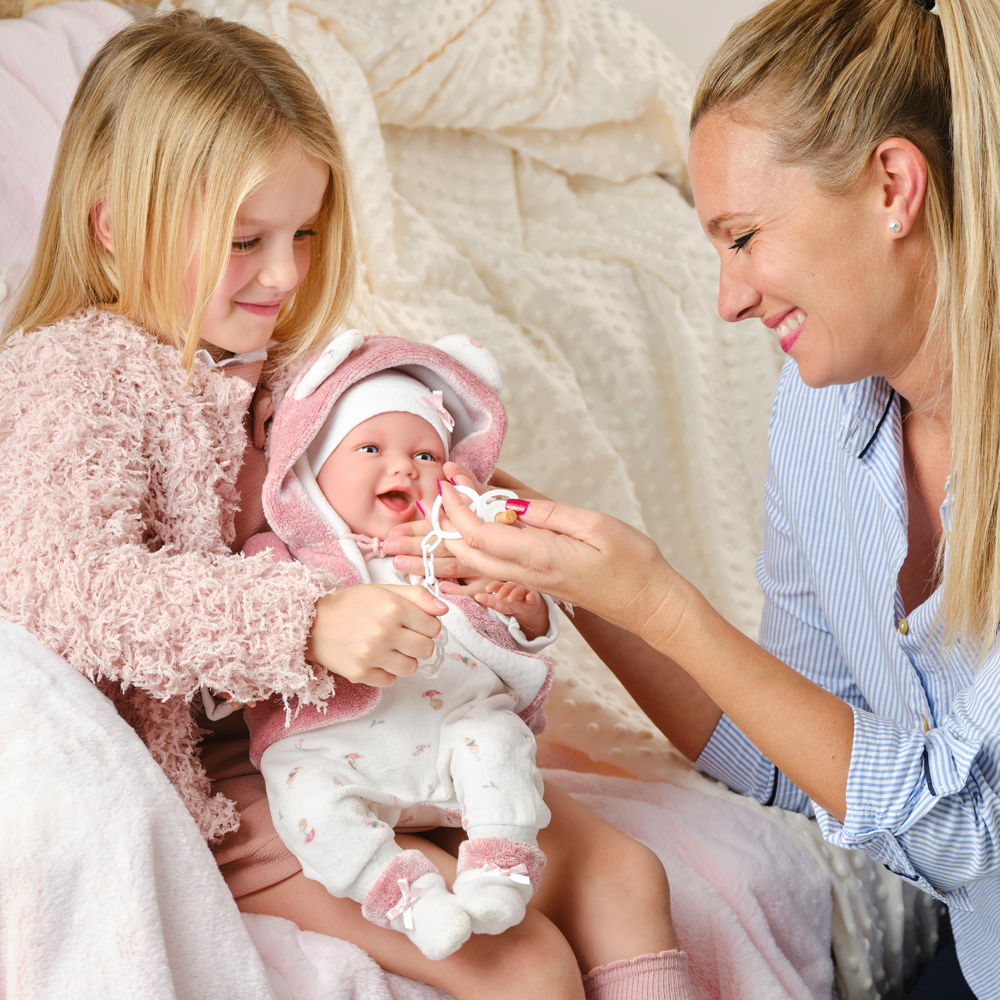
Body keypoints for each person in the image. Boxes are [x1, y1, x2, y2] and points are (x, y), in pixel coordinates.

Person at [0, 11, 691, 999]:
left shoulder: (299, 381)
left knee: (628, 874)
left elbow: (370, 514)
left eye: (306, 233)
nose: (284, 274)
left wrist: (458, 560)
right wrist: (309, 620)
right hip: (240, 787)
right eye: (246, 240)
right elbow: (70, 590)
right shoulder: (74, 378)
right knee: (522, 962)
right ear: (115, 228)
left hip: (382, 716)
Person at [384, 0, 1000, 997]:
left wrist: (662, 601)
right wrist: (563, 563)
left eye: (744, 236)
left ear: (892, 185)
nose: (727, 297)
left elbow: (972, 829)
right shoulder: (815, 420)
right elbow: (783, 758)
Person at [239, 334, 557, 960]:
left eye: (425, 453)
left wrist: (520, 609)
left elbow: (512, 638)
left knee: (496, 741)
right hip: (332, 749)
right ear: (310, 467)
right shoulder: (281, 562)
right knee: (303, 797)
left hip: (448, 742)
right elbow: (246, 633)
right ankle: (405, 896)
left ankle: (499, 865)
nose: (405, 466)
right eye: (370, 448)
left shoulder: (456, 550)